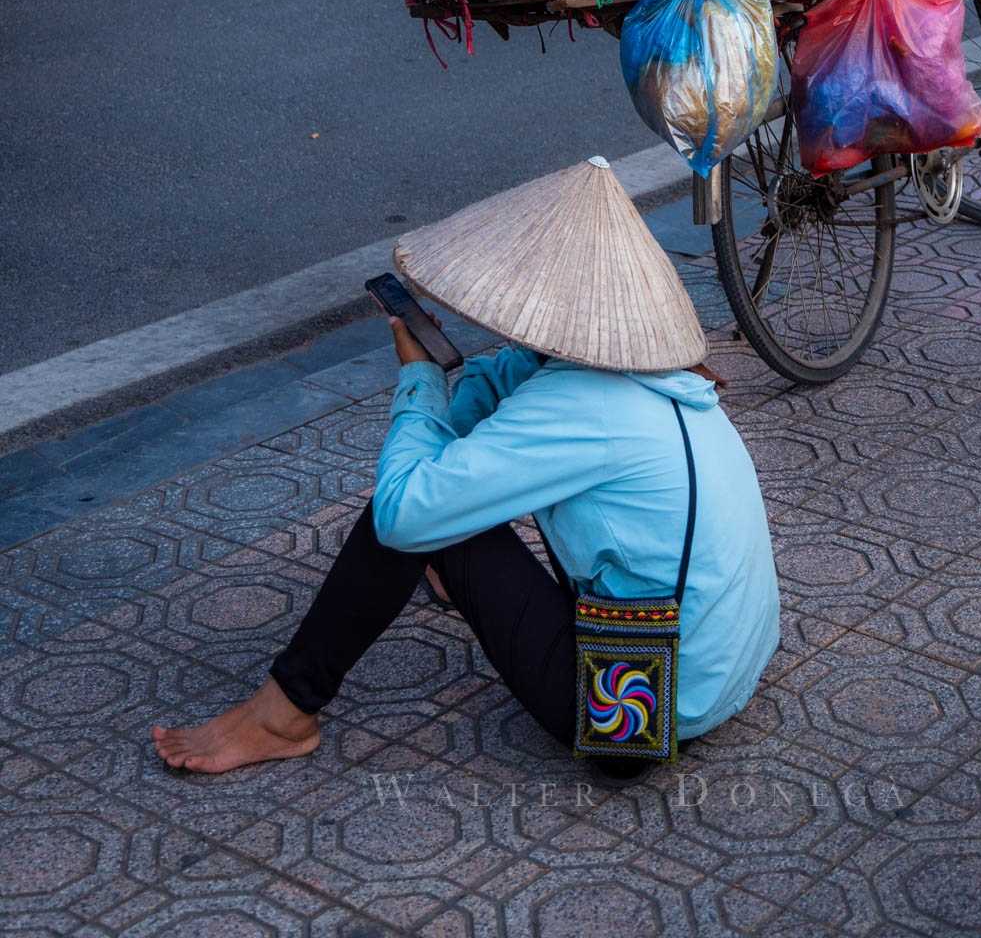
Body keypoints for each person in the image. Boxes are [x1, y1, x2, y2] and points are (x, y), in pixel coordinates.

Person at [152, 158, 780, 777]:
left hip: (638, 712)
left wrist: (419, 377)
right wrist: (460, 384)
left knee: (407, 515)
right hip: (719, 672)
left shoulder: (578, 407)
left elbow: (402, 511)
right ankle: (441, 573)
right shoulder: (649, 375)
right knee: (441, 503)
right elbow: (503, 386)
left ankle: (282, 714)